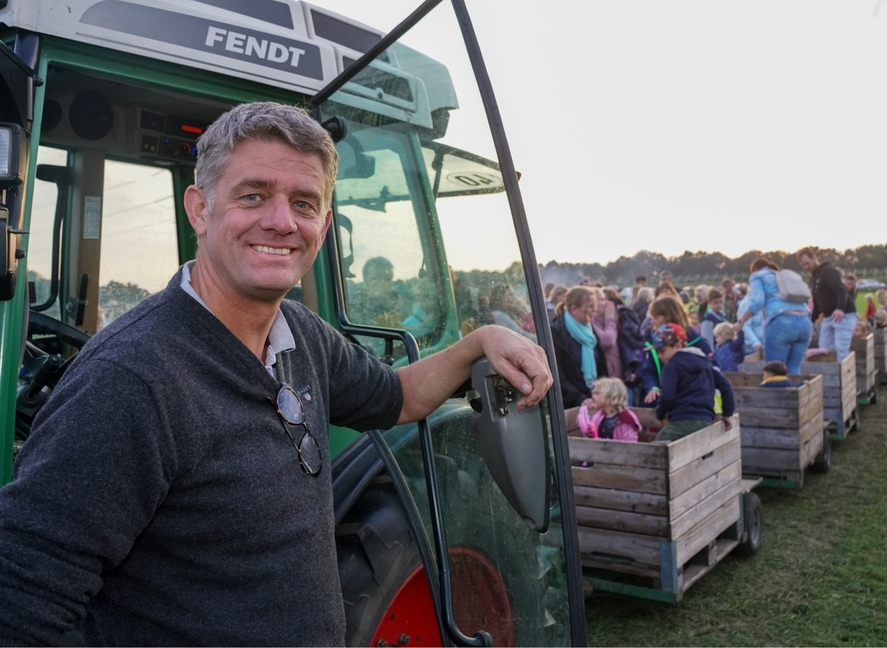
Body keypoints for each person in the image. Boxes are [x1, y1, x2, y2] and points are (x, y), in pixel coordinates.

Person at [0, 102, 553, 646]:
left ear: (325, 224)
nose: (282, 222)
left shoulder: (301, 334)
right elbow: (21, 600)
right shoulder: (132, 378)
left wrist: (480, 341)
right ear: (200, 208)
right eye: (253, 195)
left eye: (304, 204)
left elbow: (398, 397)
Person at [651, 324, 735, 441]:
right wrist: (727, 412)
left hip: (681, 419)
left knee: (658, 449)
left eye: (662, 351)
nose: (660, 356)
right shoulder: (705, 364)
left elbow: (666, 395)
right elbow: (725, 385)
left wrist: (660, 415)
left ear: (678, 345)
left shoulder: (672, 366)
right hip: (706, 420)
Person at [736, 258, 812, 374]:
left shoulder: (757, 276)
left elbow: (757, 301)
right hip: (805, 323)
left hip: (781, 323)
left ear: (755, 269)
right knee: (794, 370)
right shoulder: (782, 276)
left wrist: (741, 322)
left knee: (773, 372)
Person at [634, 297, 713, 407]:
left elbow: (711, 367)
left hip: (691, 400)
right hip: (663, 399)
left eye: (656, 317)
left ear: (668, 316)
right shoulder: (653, 341)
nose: (652, 322)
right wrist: (652, 386)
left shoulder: (695, 341)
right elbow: (649, 369)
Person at [551, 286, 608, 408]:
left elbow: (601, 367)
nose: (595, 310)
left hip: (594, 400)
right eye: (590, 306)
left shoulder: (589, 329)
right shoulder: (556, 333)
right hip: (572, 405)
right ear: (574, 309)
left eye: (595, 306)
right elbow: (557, 375)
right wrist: (579, 399)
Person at [797, 248, 858, 362]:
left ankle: (845, 378)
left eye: (807, 263)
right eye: (803, 265)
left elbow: (841, 290)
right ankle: (829, 377)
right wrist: (811, 321)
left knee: (841, 348)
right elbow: (817, 303)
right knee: (824, 348)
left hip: (844, 314)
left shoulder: (828, 271)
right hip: (828, 316)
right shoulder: (813, 278)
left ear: (814, 258)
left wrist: (840, 308)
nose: (806, 267)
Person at [576, 377, 642, 442]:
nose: (593, 396)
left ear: (610, 397)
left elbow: (630, 445)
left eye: (597, 394)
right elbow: (593, 437)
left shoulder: (626, 419)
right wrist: (589, 434)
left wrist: (603, 442)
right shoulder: (599, 416)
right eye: (593, 393)